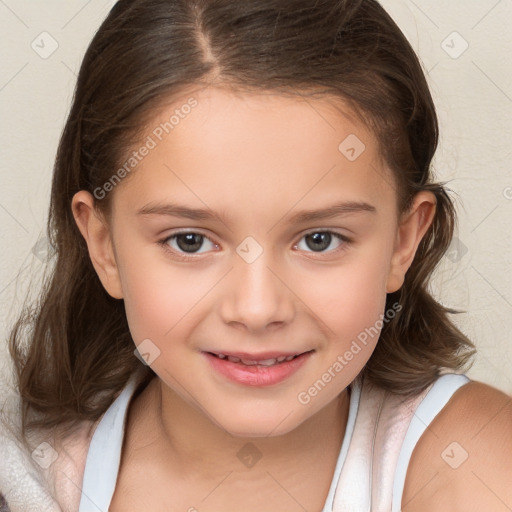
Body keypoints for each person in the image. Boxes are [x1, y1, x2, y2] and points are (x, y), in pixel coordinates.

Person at [1, 0, 511, 511]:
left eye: (319, 239)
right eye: (189, 241)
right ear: (104, 246)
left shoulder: (472, 463)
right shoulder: (28, 477)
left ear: (403, 241)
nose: (257, 308)